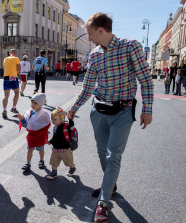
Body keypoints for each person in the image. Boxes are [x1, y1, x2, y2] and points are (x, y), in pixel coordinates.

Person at [67, 13, 154, 223]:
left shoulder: (130, 46)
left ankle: (104, 203)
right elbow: (87, 87)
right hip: (99, 111)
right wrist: (74, 107)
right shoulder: (95, 55)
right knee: (101, 151)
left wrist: (147, 109)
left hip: (123, 111)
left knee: (113, 155)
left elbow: (145, 80)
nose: (89, 38)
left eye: (89, 33)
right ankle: (110, 184)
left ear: (100, 30)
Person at [17, 93, 51, 172]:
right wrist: (21, 119)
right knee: (30, 149)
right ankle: (28, 163)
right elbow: (26, 123)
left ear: (40, 104)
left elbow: (46, 123)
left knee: (41, 149)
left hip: (40, 135)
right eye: (32, 102)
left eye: (35, 103)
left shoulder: (44, 114)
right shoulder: (30, 112)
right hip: (32, 135)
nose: (33, 105)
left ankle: (41, 160)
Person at [46, 107, 76, 180]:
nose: (53, 121)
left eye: (55, 119)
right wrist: (50, 141)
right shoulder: (55, 127)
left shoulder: (65, 126)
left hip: (65, 150)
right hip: (55, 149)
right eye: (52, 119)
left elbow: (71, 127)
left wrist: (70, 120)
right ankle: (54, 173)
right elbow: (55, 137)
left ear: (62, 119)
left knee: (69, 162)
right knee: (54, 162)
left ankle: (72, 168)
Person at [2, 49, 21, 119]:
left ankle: (4, 110)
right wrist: (18, 72)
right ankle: (14, 107)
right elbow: (19, 68)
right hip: (13, 77)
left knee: (6, 95)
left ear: (10, 53)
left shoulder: (5, 59)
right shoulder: (16, 58)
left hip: (6, 77)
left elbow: (5, 67)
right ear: (15, 53)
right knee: (16, 93)